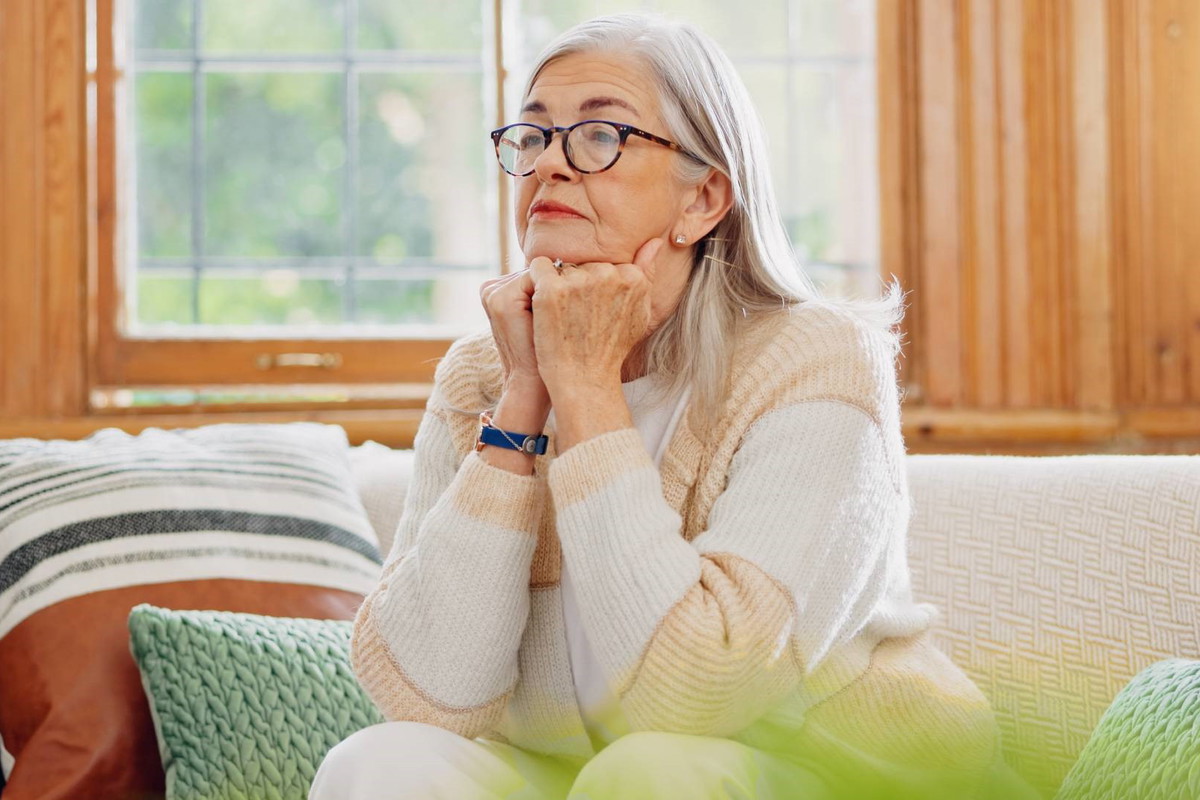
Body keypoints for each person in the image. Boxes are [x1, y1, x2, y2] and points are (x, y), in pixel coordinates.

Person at [310, 12, 1035, 800]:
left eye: (599, 135)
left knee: (654, 771)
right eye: (533, 135)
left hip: (837, 775)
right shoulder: (482, 375)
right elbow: (425, 695)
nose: (550, 163)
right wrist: (526, 398)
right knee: (375, 763)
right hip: (573, 775)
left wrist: (585, 389)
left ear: (704, 200)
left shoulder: (816, 361)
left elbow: (704, 693)